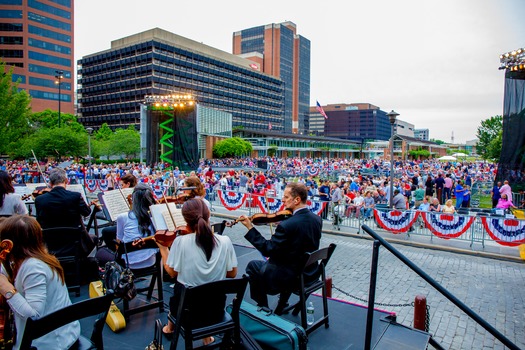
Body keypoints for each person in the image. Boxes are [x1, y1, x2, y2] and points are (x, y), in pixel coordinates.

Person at [157, 198, 237, 345]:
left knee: (179, 295)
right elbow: (232, 273)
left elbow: (172, 273)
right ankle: (207, 338)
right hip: (215, 310)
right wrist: (212, 271)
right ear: (208, 216)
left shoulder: (180, 242)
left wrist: (163, 248)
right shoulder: (225, 241)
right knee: (199, 294)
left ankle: (169, 329)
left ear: (185, 219)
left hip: (186, 313)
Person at [239, 182, 322, 315]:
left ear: (297, 200)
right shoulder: (317, 219)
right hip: (309, 273)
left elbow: (267, 249)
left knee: (252, 266)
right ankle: (282, 302)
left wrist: (250, 228)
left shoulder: (287, 225)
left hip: (288, 277)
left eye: (286, 197)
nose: (282, 200)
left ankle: (263, 306)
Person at [0, 215, 80, 349]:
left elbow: (34, 316)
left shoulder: (33, 267)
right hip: (64, 332)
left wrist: (6, 288)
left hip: (49, 343)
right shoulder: (37, 257)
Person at [34, 168, 94, 256]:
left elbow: (39, 221)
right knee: (94, 239)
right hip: (73, 242)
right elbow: (87, 212)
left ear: (50, 183)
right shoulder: (75, 196)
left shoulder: (39, 199)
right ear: (66, 180)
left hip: (51, 244)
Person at [116, 183, 158, 269]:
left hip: (128, 263)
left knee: (102, 253)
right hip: (151, 261)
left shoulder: (122, 217)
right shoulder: (155, 215)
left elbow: (118, 243)